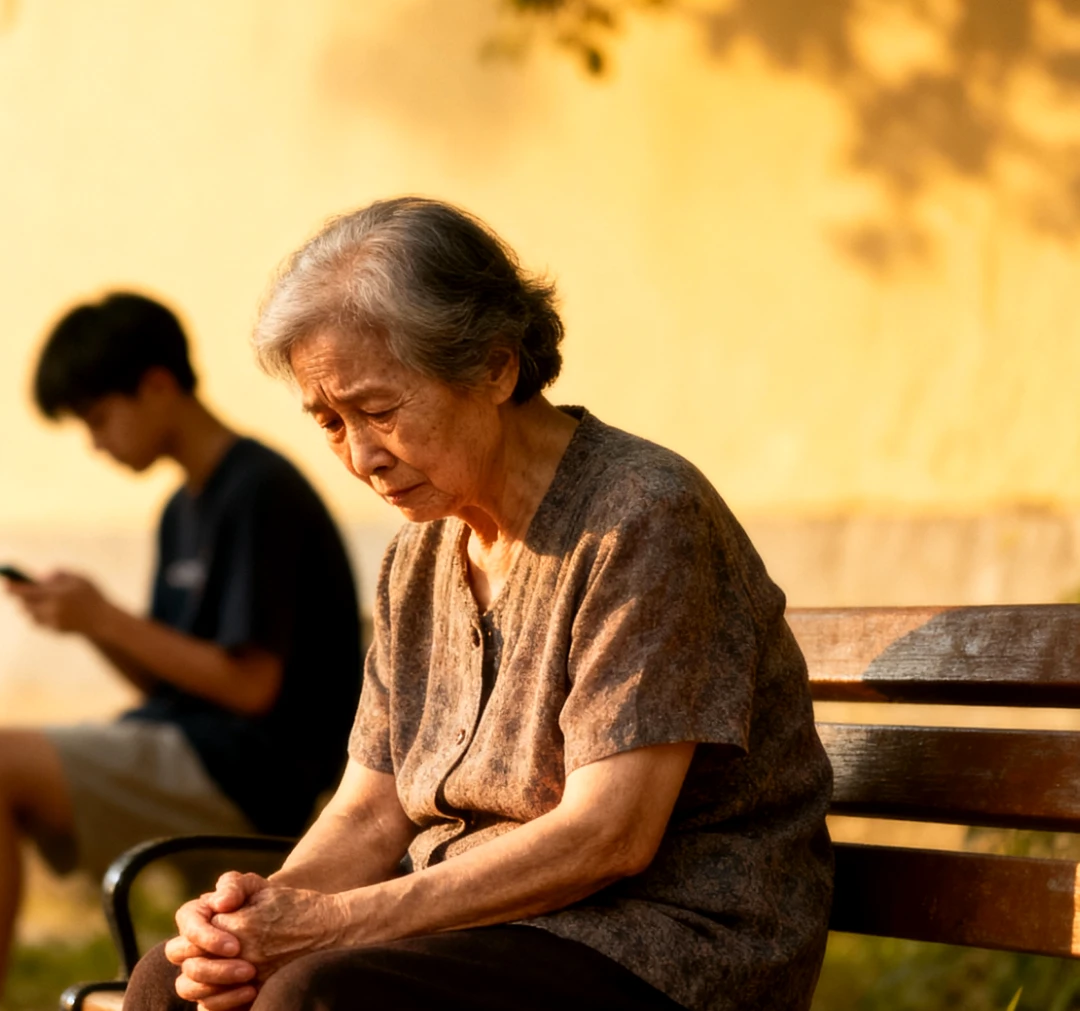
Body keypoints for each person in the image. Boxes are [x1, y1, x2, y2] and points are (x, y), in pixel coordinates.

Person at [124, 197, 835, 1011]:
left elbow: (611, 833)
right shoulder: (420, 552)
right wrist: (256, 919)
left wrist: (329, 927)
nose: (361, 456)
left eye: (381, 410)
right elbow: (369, 810)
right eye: (329, 421)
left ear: (495, 367)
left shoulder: (642, 515)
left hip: (665, 942)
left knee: (317, 995)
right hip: (485, 928)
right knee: (172, 983)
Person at [0, 292, 365, 1011]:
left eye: (99, 417)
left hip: (251, 771)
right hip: (186, 739)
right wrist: (91, 624)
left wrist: (107, 614)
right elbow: (171, 678)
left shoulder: (260, 491)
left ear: (157, 385)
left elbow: (249, 687)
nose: (96, 442)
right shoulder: (182, 507)